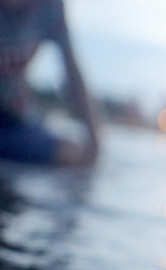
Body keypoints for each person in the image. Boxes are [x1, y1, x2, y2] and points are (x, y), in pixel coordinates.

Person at [0, 0, 98, 166]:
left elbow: (72, 71)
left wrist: (95, 142)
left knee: (72, 153)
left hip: (14, 122)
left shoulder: (50, 6)